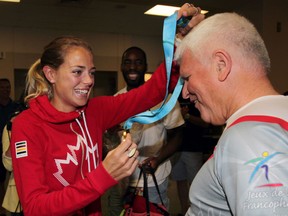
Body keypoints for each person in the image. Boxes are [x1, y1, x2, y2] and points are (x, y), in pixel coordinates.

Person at [10, 5, 203, 215]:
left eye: (91, 72)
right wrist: (103, 175)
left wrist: (177, 43)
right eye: (77, 72)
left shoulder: (95, 110)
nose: (89, 81)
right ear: (51, 74)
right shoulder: (27, 125)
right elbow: (35, 207)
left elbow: (152, 92)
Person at [175, 12, 288, 215]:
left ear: (221, 65)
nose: (185, 92)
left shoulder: (248, 138)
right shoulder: (275, 117)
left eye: (187, 78)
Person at [106, 47, 184, 215]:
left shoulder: (164, 100)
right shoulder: (116, 100)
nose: (132, 67)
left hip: (151, 181)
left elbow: (178, 135)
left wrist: (158, 159)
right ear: (121, 67)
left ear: (146, 66)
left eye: (138, 63)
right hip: (120, 180)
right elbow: (109, 140)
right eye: (128, 62)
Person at [170, 95, 208, 216]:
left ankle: (196, 212)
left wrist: (186, 116)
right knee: (180, 181)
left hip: (193, 148)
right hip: (176, 149)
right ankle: (184, 211)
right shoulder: (174, 98)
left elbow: (205, 123)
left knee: (195, 183)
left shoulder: (197, 97)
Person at [0, 78, 20, 216]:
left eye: (8, 87)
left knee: (14, 176)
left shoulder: (16, 107)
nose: (6, 90)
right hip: (1, 146)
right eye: (3, 87)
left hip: (12, 145)